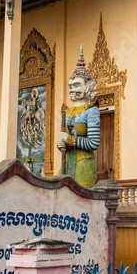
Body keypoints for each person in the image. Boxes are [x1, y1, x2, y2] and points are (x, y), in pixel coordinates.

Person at [57, 47, 100, 187]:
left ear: (87, 87)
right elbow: (64, 138)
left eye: (76, 85)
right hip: (67, 162)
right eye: (71, 86)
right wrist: (61, 143)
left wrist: (69, 139)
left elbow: (94, 143)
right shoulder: (67, 112)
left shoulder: (91, 110)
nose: (72, 90)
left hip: (83, 164)